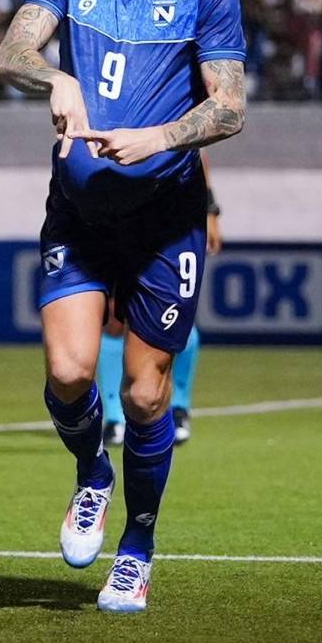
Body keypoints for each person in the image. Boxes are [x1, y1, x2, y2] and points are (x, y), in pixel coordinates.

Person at [0, 0, 246, 613]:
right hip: (77, 214)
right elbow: (10, 53)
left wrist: (160, 136)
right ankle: (91, 476)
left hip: (166, 220)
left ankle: (136, 548)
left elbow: (229, 105)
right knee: (69, 375)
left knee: (144, 396)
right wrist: (54, 77)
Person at [98, 150, 223, 448]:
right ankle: (116, 418)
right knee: (115, 316)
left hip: (172, 217)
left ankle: (178, 407)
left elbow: (199, 150)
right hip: (113, 213)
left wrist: (210, 211)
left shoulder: (170, 105)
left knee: (172, 313)